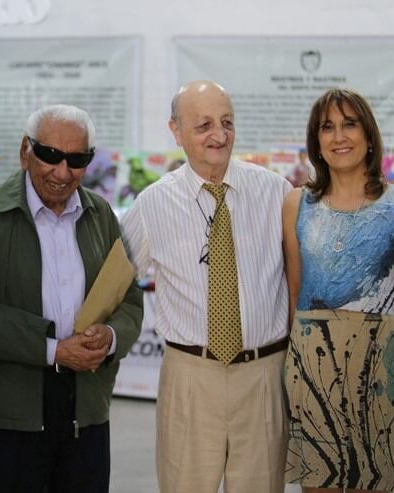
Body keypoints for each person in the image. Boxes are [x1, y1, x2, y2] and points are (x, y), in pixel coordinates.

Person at [0, 104, 143, 493]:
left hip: (85, 408)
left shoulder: (101, 215)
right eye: (50, 155)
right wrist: (54, 350)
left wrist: (109, 338)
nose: (62, 172)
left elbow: (129, 299)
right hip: (5, 412)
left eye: (77, 160)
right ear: (26, 151)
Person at [121, 80, 292, 493]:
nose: (219, 135)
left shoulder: (276, 192)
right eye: (203, 125)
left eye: (227, 122)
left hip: (264, 375)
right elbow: (113, 281)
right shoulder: (152, 203)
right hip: (190, 376)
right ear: (175, 131)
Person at [282, 88, 394, 492]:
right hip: (312, 369)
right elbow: (295, 296)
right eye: (327, 127)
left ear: (368, 137)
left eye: (349, 124)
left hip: (380, 370)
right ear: (317, 142)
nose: (338, 136)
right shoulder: (296, 205)